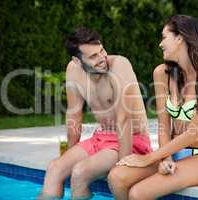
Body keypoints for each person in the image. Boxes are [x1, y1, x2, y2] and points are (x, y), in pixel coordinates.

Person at [108, 15, 198, 200]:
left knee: (138, 194)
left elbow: (193, 133)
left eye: (164, 37)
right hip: (171, 153)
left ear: (180, 38)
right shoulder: (161, 73)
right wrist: (165, 158)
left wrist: (148, 158)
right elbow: (164, 126)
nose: (160, 44)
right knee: (116, 177)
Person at [39, 27, 152, 199]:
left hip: (132, 140)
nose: (102, 58)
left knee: (79, 173)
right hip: (100, 138)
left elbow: (124, 118)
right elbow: (74, 115)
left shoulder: (120, 65)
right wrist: (70, 154)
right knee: (55, 169)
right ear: (77, 61)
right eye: (93, 56)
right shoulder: (73, 70)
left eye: (101, 51)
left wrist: (123, 166)